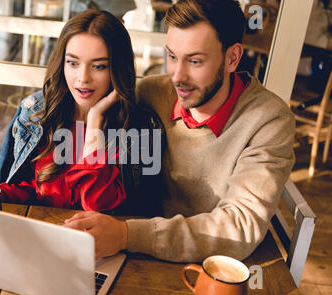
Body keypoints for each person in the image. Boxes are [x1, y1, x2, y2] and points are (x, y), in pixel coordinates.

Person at [64, 0, 296, 262]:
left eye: (195, 61)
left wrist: (126, 235)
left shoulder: (269, 121)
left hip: (215, 265)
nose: (177, 76)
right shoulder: (151, 93)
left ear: (232, 58)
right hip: (138, 254)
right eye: (172, 57)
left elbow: (238, 228)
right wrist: (93, 117)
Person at [0, 10, 162, 215]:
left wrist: (95, 121)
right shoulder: (35, 112)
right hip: (38, 234)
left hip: (97, 247)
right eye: (73, 63)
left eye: (98, 66)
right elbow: (27, 191)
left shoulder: (140, 130)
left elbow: (100, 209)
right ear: (62, 63)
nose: (83, 77)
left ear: (117, 68)